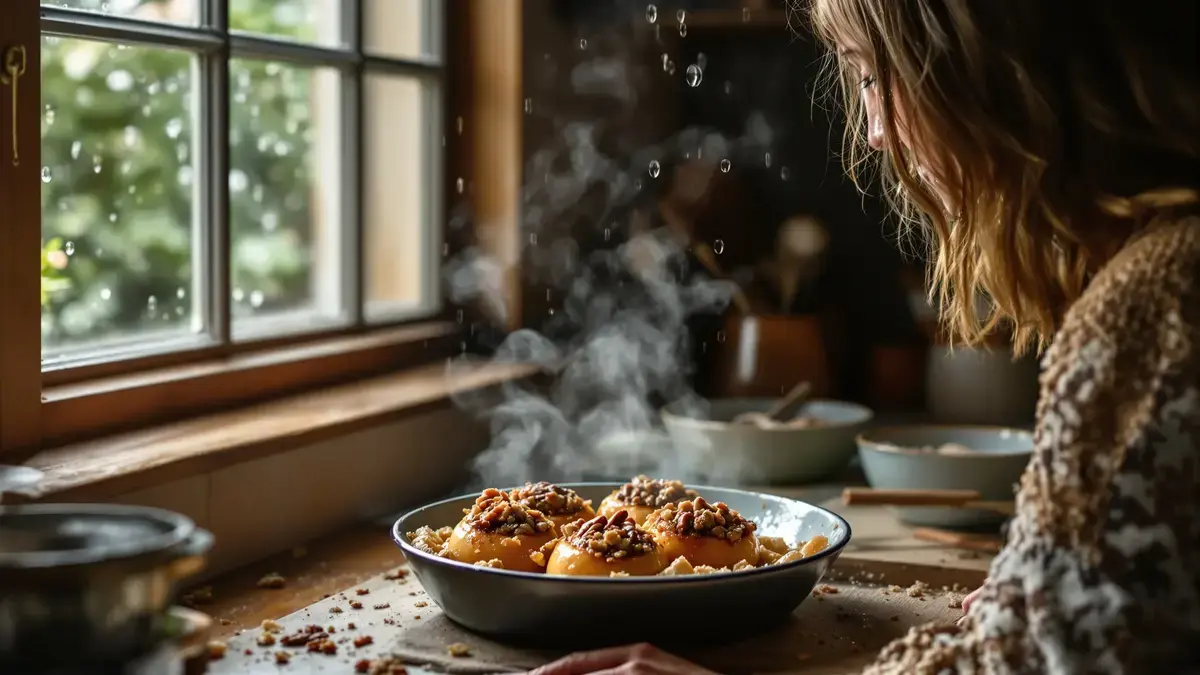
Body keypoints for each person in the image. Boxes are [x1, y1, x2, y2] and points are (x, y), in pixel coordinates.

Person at [529, 0, 1200, 672]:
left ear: (984, 71)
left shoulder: (1152, 309)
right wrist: (1047, 587)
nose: (874, 131)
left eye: (873, 75)